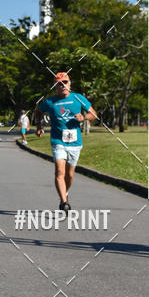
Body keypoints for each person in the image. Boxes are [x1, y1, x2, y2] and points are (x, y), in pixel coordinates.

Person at [34, 72, 98, 212]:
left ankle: (65, 193)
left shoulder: (78, 98)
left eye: (65, 82)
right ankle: (64, 202)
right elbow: (38, 111)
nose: (62, 85)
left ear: (70, 83)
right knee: (59, 171)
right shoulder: (50, 102)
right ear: (55, 86)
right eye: (59, 83)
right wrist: (39, 125)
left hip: (75, 142)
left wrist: (84, 118)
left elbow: (93, 114)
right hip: (58, 141)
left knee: (69, 175)